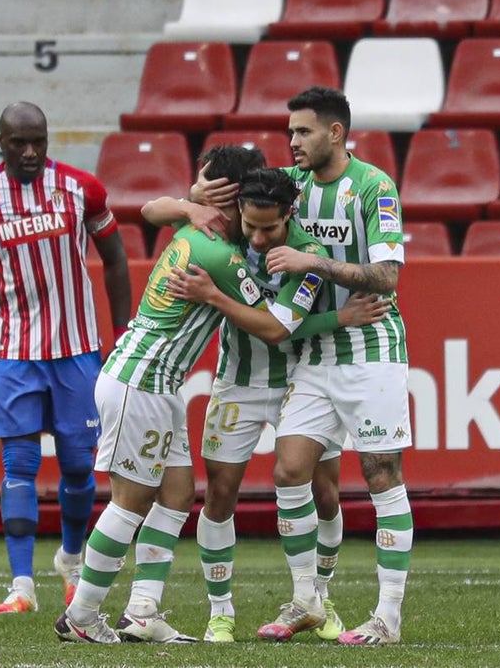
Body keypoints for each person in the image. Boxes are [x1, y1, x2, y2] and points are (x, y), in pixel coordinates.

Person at [194, 86, 413, 646]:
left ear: (335, 133)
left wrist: (313, 259)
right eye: (290, 131)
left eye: (303, 131)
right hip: (312, 357)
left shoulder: (373, 186)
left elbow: (387, 278)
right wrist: (195, 193)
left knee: (381, 474)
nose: (291, 141)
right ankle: (307, 601)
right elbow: (234, 196)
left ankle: (387, 616)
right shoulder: (289, 191)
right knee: (290, 473)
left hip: (371, 348)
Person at [154, 167, 389, 643]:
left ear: (289, 214)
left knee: (324, 493)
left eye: (269, 229)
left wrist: (215, 296)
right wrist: (191, 203)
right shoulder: (227, 233)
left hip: (297, 383)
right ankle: (220, 613)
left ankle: (316, 599)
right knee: (219, 497)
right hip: (235, 385)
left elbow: (278, 328)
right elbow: (147, 210)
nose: (258, 240)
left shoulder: (311, 255)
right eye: (250, 226)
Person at [52, 144, 267, 645]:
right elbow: (274, 325)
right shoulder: (221, 255)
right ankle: (81, 617)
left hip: (154, 381)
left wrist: (189, 203)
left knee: (174, 494)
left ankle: (143, 612)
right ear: (235, 200)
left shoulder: (193, 231)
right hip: (142, 381)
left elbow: (151, 210)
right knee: (130, 501)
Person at [0, 101, 131, 614]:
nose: (29, 152)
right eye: (18, 143)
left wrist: (121, 332)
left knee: (77, 466)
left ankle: (70, 561)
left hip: (76, 348)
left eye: (39, 142)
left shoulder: (81, 189)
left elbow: (115, 257)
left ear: (48, 140)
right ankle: (21, 584)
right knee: (19, 463)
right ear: (0, 141)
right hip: (11, 350)